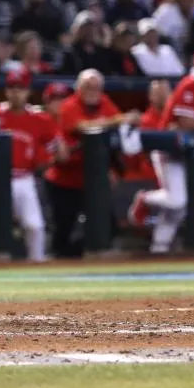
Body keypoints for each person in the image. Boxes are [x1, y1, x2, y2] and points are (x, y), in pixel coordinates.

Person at [129, 44, 194, 253]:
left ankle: (159, 247)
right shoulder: (188, 86)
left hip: (187, 152)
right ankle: (144, 199)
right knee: (177, 200)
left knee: (180, 206)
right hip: (168, 148)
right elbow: (186, 123)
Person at [51, 70, 138, 258]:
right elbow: (85, 127)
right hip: (64, 179)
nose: (93, 92)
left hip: (90, 180)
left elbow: (121, 120)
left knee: (106, 222)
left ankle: (92, 257)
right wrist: (116, 120)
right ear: (78, 89)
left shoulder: (104, 102)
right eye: (87, 88)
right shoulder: (69, 105)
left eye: (96, 88)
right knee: (64, 229)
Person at [0, 66, 57, 262]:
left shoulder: (39, 118)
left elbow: (55, 148)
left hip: (24, 177)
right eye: (12, 88)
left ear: (28, 91)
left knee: (34, 226)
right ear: (6, 90)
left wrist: (45, 161)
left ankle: (37, 263)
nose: (16, 93)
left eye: (20, 88)